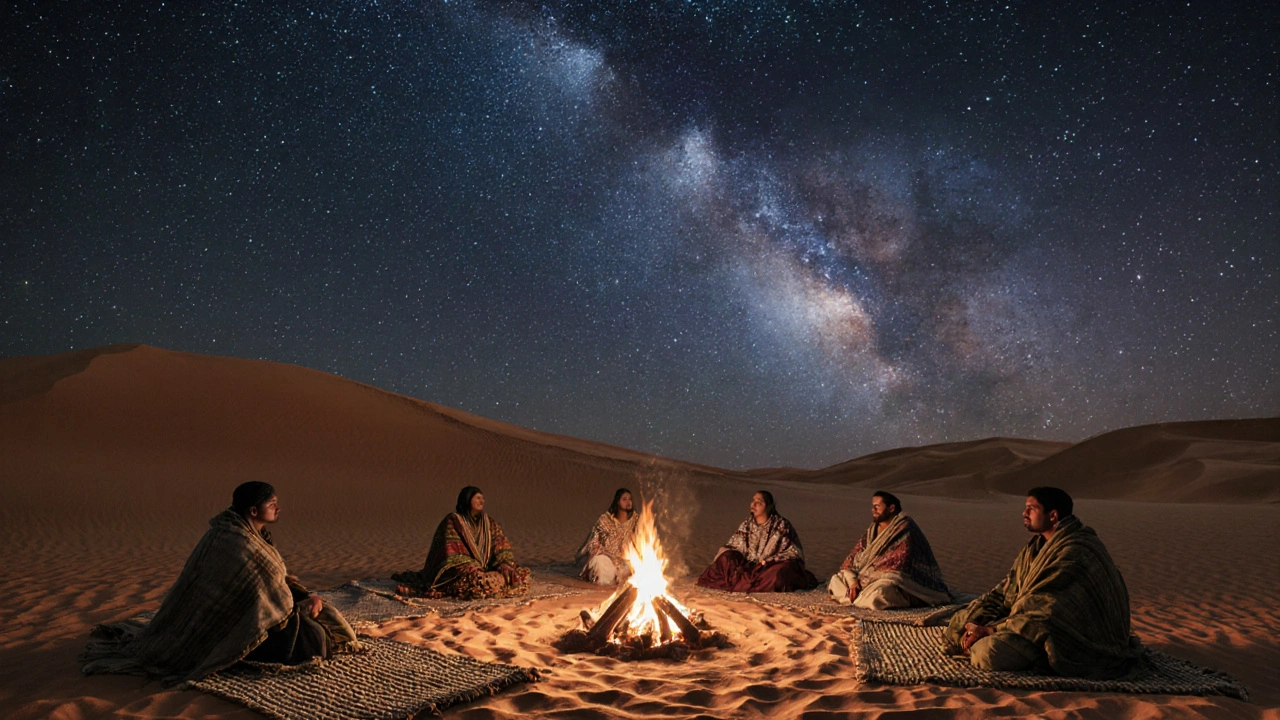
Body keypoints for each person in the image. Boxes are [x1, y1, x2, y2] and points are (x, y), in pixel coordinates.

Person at [81, 482, 360, 684]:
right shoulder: (232, 541)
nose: (278, 508)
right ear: (253, 510)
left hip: (258, 612)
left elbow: (273, 583)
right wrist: (298, 606)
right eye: (271, 504)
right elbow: (263, 594)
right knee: (315, 641)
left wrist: (302, 597)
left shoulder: (251, 534)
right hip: (234, 624)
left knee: (321, 628)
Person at [943, 487, 1143, 678]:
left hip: (1071, 637)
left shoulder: (1076, 550)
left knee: (988, 653)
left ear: (1053, 516)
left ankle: (1040, 657)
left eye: (1032, 508)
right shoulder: (1035, 548)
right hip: (1028, 623)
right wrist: (979, 619)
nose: (1024, 513)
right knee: (958, 622)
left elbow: (1047, 611)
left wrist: (989, 630)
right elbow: (1007, 590)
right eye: (1025, 508)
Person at [394, 486, 530, 599]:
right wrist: (471, 566)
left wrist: (503, 564)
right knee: (479, 581)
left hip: (487, 568)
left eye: (482, 498)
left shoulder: (490, 523)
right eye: (478, 498)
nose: (482, 501)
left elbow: (501, 547)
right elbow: (451, 553)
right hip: (459, 571)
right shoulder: (453, 521)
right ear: (467, 500)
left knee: (512, 574)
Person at [827, 491, 952, 609]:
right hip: (864, 578)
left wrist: (863, 581)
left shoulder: (905, 528)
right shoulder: (872, 530)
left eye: (877, 506)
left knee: (881, 593)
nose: (873, 510)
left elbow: (898, 565)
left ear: (891, 508)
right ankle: (855, 597)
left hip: (894, 582)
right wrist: (853, 581)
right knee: (836, 579)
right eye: (873, 506)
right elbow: (854, 557)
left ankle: (852, 597)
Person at [695, 490, 818, 592]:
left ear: (769, 506)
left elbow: (793, 552)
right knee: (726, 558)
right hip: (747, 565)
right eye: (753, 501)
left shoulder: (781, 525)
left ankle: (745, 583)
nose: (753, 505)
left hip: (768, 567)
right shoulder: (746, 524)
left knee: (782, 571)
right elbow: (733, 546)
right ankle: (745, 582)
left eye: (758, 502)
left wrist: (768, 561)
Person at [575, 488, 638, 585]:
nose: (628, 502)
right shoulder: (605, 521)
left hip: (626, 562)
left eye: (630, 499)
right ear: (617, 502)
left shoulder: (636, 521)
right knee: (600, 563)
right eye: (624, 499)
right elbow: (594, 543)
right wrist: (603, 554)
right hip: (606, 559)